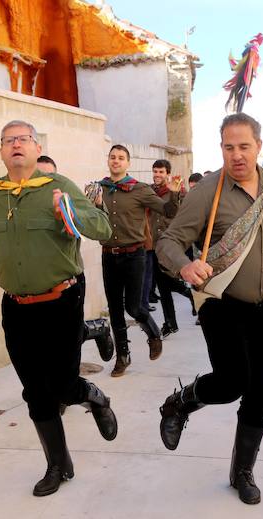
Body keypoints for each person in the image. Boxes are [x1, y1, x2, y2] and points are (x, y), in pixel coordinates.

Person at [0, 120, 117, 497]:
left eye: (23, 139)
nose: (16, 145)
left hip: (62, 300)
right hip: (16, 306)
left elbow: (102, 229)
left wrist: (69, 212)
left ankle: (93, 396)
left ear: (35, 148)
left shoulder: (59, 187)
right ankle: (57, 465)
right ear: (1, 151)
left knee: (63, 386)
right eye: (8, 140)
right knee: (35, 391)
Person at [155, 112, 263, 505]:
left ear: (259, 146)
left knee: (261, 395)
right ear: (221, 148)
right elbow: (167, 241)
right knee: (233, 382)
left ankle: (242, 471)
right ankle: (180, 403)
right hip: (222, 305)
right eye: (229, 147)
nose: (237, 155)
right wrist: (185, 264)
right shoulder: (209, 191)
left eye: (244, 147)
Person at [96, 145, 180, 377]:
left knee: (133, 307)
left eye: (121, 158)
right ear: (108, 160)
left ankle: (153, 334)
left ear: (128, 163)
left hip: (134, 255)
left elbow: (167, 211)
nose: (116, 161)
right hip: (108, 255)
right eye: (112, 157)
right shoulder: (100, 188)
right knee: (114, 310)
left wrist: (173, 193)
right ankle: (123, 357)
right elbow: (92, 217)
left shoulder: (140, 189)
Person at [35, 155, 114, 362]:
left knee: (68, 339)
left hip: (68, 280)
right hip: (36, 284)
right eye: (38, 175)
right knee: (47, 339)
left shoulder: (67, 201)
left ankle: (98, 329)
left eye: (49, 176)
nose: (43, 180)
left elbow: (99, 228)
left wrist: (73, 210)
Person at [149, 159, 194, 337]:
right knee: (163, 283)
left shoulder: (178, 192)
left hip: (169, 244)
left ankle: (170, 322)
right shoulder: (150, 191)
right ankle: (173, 319)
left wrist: (175, 194)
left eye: (161, 172)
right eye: (155, 171)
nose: (157, 175)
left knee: (165, 281)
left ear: (167, 173)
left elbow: (175, 213)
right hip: (153, 243)